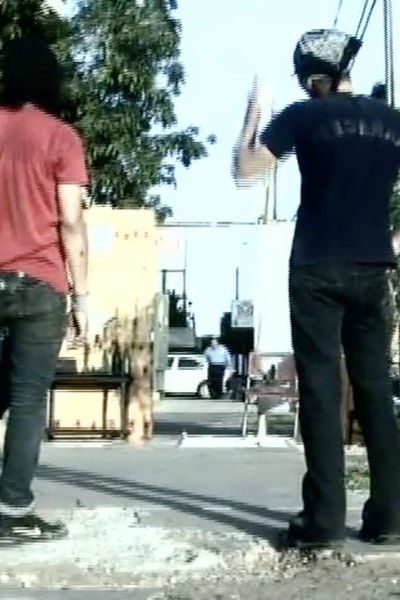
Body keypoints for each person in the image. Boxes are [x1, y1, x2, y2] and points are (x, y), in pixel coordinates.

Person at [234, 29, 400, 549]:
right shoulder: (391, 121)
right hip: (374, 268)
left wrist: (253, 113)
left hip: (316, 267)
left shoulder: (303, 115)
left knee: (323, 392)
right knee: (375, 391)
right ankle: (390, 517)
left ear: (310, 77)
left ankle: (324, 523)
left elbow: (246, 172)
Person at [0, 36, 88, 541]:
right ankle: (12, 509)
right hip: (39, 282)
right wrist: (82, 297)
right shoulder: (60, 137)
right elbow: (71, 223)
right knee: (28, 399)